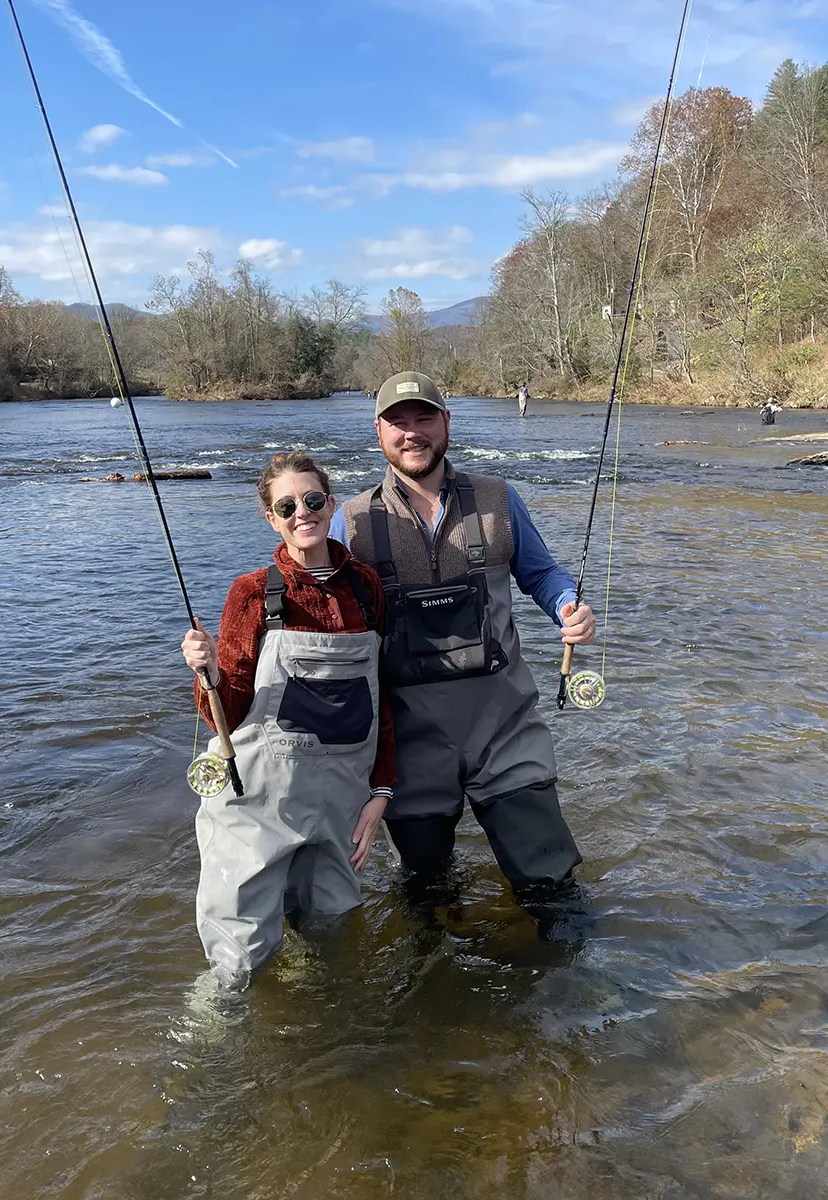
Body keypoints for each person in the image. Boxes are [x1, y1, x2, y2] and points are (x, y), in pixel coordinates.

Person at [329, 371, 595, 908]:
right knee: (426, 891)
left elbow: (542, 574)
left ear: (446, 423)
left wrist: (569, 606)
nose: (411, 433)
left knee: (552, 886)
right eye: (397, 423)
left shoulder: (499, 498)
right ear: (378, 431)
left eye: (423, 418)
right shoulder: (350, 522)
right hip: (409, 742)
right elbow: (316, 608)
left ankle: (585, 990)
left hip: (504, 729)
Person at [181, 452, 395, 989]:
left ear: (330, 504)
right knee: (241, 949)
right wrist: (203, 670)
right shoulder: (252, 593)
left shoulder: (365, 587)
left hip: (343, 796)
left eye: (314, 499)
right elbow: (222, 716)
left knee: (334, 928)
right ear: (271, 517)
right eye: (287, 505)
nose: (303, 512)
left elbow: (382, 696)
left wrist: (382, 791)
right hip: (258, 795)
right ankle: (214, 1042)